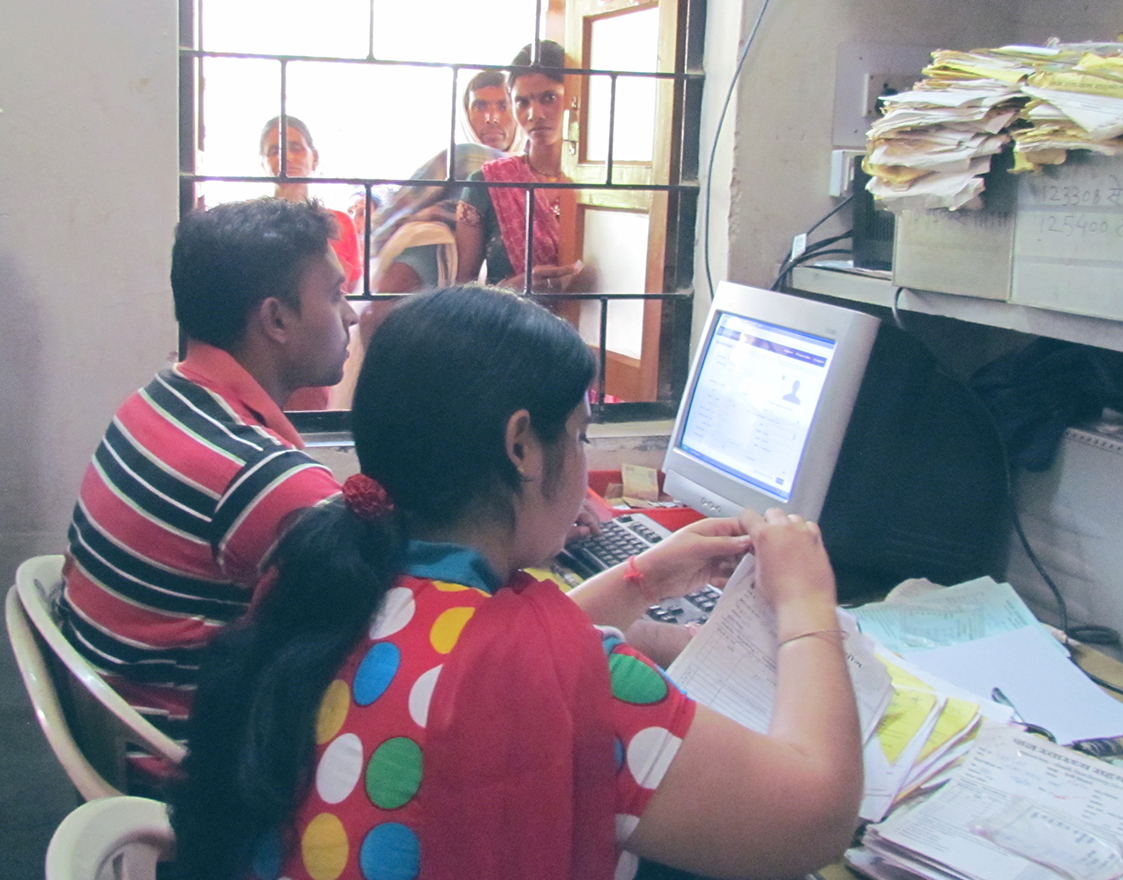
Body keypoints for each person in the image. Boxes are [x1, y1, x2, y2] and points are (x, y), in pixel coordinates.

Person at [169, 285, 863, 880]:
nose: (584, 454)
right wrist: (806, 602)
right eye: (582, 434)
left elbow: (471, 656)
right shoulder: (582, 677)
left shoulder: (324, 574)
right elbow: (815, 814)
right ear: (522, 447)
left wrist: (642, 577)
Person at [57, 198, 357, 784]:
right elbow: (408, 617)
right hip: (189, 774)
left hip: (115, 732)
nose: (349, 317)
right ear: (276, 320)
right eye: (336, 295)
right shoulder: (260, 476)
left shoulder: (156, 400)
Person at [369, 69, 522, 296]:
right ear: (465, 114)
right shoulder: (462, 155)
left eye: (503, 106)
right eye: (480, 107)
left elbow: (386, 221)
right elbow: (399, 209)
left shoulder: (534, 172)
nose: (492, 118)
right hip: (439, 269)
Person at [456, 42, 583, 294]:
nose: (534, 114)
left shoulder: (600, 189)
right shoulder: (487, 183)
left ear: (574, 99)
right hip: (508, 328)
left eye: (549, 98)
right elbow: (461, 292)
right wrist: (514, 290)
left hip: (598, 328)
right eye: (522, 102)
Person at [260, 115, 363, 294]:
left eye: (296, 148)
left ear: (314, 158)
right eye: (275, 151)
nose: (286, 157)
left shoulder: (340, 223)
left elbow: (352, 289)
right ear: (263, 162)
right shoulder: (253, 223)